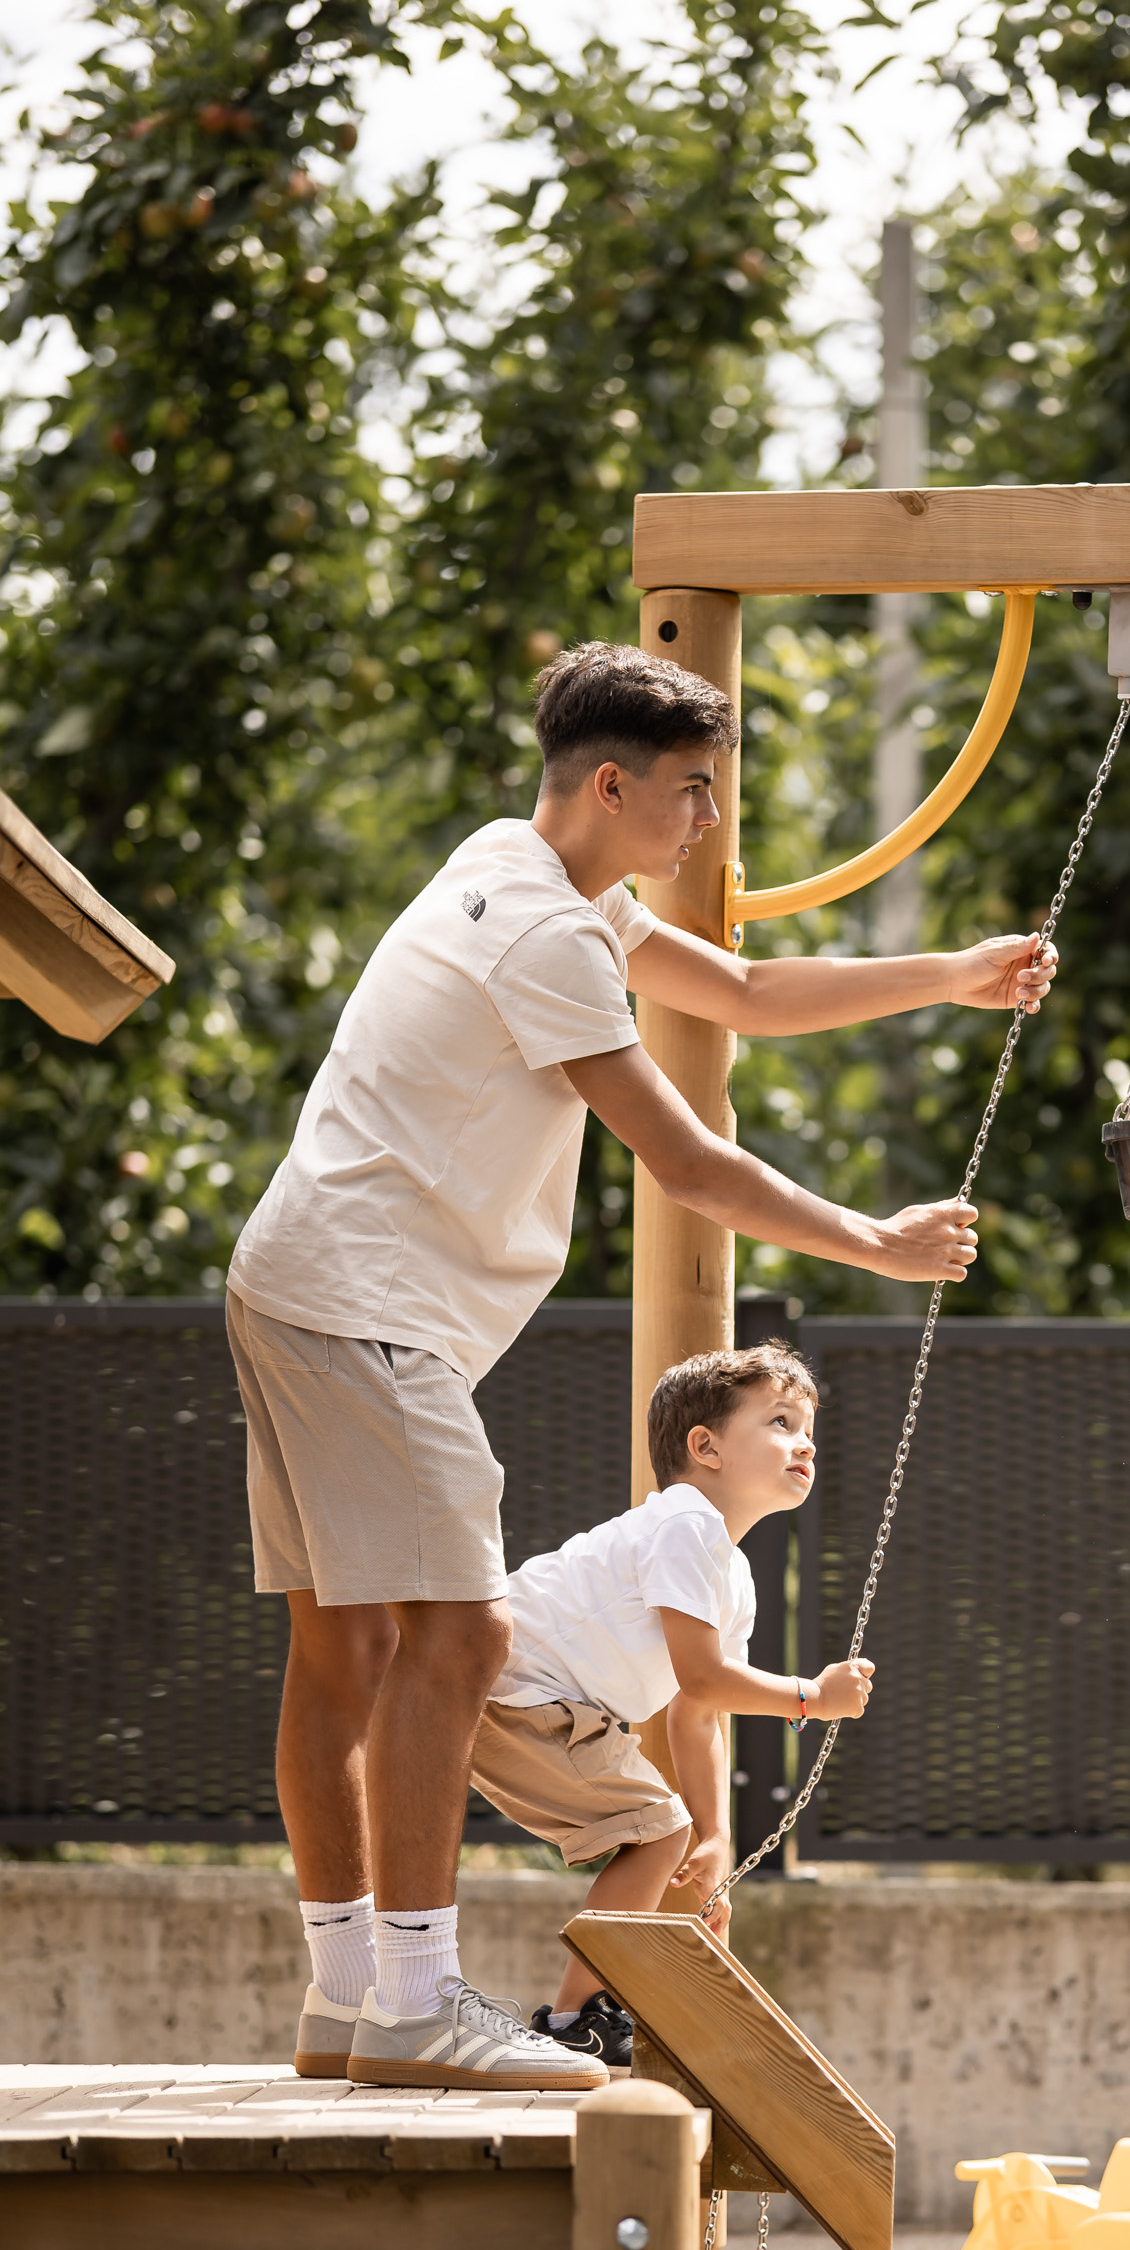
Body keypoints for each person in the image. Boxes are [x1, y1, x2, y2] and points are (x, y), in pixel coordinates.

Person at [228, 639, 1053, 2092]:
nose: (708, 825)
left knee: (345, 1645)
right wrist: (879, 1239)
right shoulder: (549, 938)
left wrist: (952, 978)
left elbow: (737, 988)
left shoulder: (525, 871)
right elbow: (686, 1160)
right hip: (368, 1306)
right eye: (691, 794)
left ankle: (348, 1996)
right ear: (611, 785)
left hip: (298, 1277)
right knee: (462, 1641)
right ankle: (414, 2004)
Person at [457, 1341, 852, 2069]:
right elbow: (702, 1680)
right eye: (780, 1422)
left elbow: (695, 1716)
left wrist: (716, 1836)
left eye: (809, 1430)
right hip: (514, 1689)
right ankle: (576, 2018)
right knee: (656, 1830)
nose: (805, 1443)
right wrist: (810, 1697)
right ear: (705, 1446)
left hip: (534, 1699)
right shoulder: (685, 1523)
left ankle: (584, 2010)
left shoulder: (729, 1570)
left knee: (664, 1832)